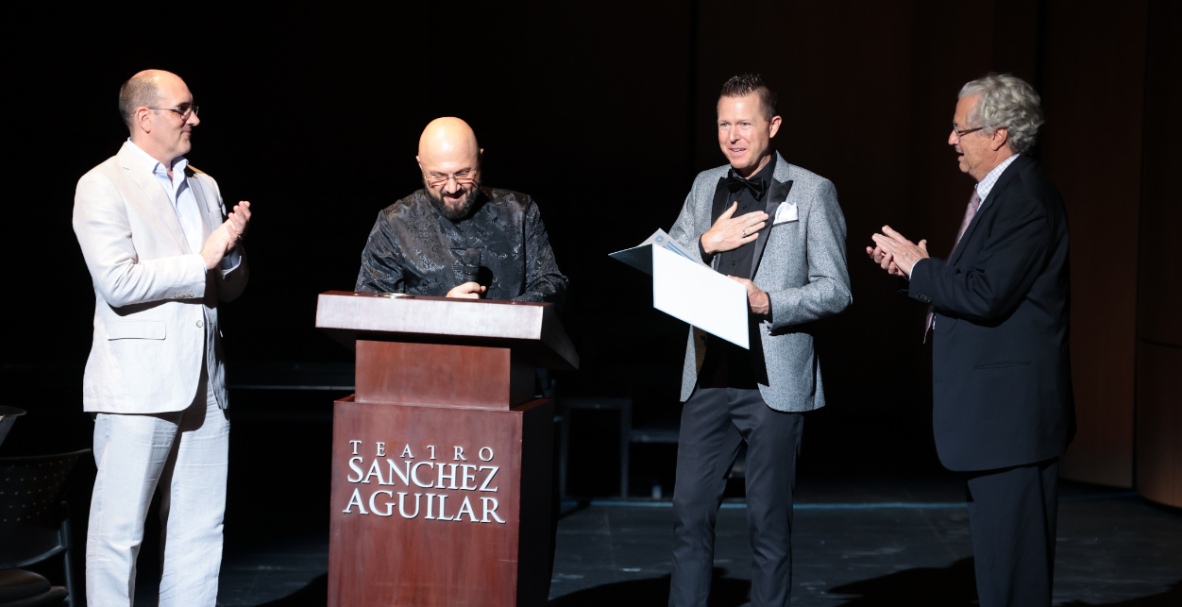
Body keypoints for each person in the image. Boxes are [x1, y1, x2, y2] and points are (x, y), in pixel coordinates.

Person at [868, 73, 1073, 607]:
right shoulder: (999, 194)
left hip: (1012, 422)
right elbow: (975, 284)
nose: (951, 140)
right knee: (1000, 574)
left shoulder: (1024, 198)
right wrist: (915, 271)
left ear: (999, 134)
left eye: (961, 130)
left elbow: (986, 295)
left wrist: (921, 269)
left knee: (1014, 580)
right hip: (996, 423)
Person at [666, 74, 851, 607]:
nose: (733, 136)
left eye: (744, 123)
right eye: (724, 124)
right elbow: (667, 266)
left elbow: (836, 290)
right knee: (688, 515)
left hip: (772, 380)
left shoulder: (812, 191)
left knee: (767, 524)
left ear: (773, 125)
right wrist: (706, 241)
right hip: (708, 374)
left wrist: (767, 302)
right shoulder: (705, 185)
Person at [72, 69, 251, 607]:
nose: (194, 118)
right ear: (145, 118)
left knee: (199, 533)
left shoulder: (204, 184)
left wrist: (231, 253)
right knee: (119, 534)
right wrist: (203, 260)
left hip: (205, 384)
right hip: (137, 389)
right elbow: (118, 282)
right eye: (183, 109)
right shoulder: (102, 184)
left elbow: (226, 286)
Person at [355, 117, 567, 303]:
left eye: (463, 173)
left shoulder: (519, 212)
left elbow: (551, 285)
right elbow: (371, 308)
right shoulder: (394, 223)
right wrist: (442, 312)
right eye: (437, 176)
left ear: (480, 159)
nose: (452, 188)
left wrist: (496, 317)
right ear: (420, 165)